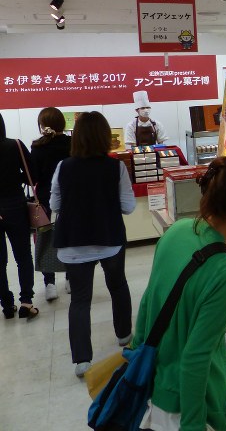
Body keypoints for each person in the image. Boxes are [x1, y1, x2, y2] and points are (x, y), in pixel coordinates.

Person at [135, 155, 226, 431]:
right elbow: (196, 357)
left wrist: (136, 361)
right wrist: (193, 425)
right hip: (189, 406)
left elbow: (148, 303)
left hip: (154, 386)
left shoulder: (177, 231)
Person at [51, 111, 136, 377]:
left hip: (73, 242)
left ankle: (82, 361)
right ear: (104, 136)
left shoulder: (63, 167)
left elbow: (55, 205)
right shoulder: (116, 167)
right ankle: (124, 335)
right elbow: (129, 206)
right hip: (109, 238)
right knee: (118, 286)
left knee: (79, 299)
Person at [30, 107, 72, 301]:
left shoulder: (38, 147)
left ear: (42, 125)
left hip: (45, 199)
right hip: (70, 197)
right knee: (70, 238)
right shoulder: (71, 143)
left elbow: (34, 177)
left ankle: (50, 284)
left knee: (45, 239)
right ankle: (71, 278)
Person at [0, 113, 38, 320]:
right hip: (15, 205)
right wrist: (17, 178)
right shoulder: (15, 145)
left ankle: (6, 305)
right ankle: (26, 302)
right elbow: (33, 173)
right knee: (23, 256)